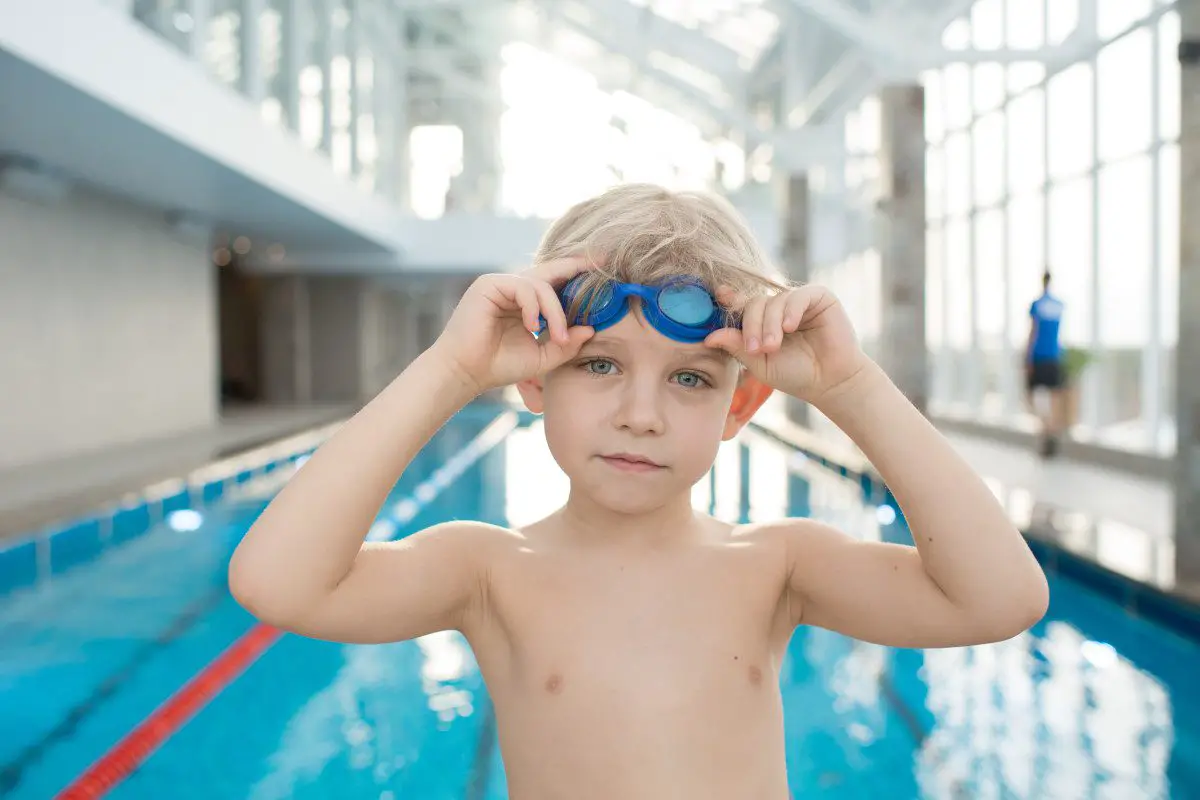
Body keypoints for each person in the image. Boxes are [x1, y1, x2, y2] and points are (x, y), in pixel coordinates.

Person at [229, 184, 1049, 799]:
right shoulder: (486, 572)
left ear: (742, 404)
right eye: (600, 364)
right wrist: (452, 370)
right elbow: (278, 582)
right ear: (534, 380)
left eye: (690, 378)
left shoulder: (777, 565)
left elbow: (999, 599)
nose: (641, 415)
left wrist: (851, 386)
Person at [1025, 271, 1067, 457]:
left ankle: (1045, 428)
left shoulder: (1037, 305)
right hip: (1055, 357)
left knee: (1033, 398)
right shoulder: (1059, 305)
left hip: (1039, 356)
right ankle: (1052, 430)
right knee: (1055, 398)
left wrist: (1027, 358)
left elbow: (1033, 333)